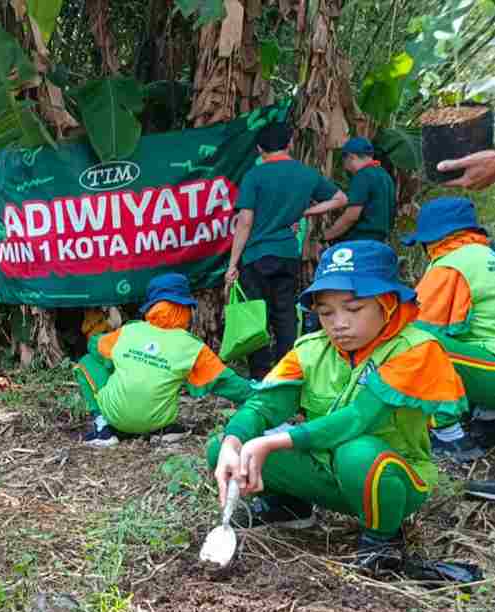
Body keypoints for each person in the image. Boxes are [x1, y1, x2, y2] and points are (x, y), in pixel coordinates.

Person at [210, 240, 467, 573]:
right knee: (222, 447)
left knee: (356, 452)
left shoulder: (416, 350)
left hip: (389, 478)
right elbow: (263, 405)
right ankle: (289, 508)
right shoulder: (310, 349)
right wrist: (233, 441)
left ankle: (381, 540)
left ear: (387, 303)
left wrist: (274, 441)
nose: (339, 323)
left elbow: (358, 418)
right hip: (326, 471)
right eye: (326, 312)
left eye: (354, 308)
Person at [224, 122, 347, 379]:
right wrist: (306, 211)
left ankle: (259, 375)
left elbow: (245, 221)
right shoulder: (306, 174)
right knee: (285, 315)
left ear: (260, 149)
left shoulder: (254, 176)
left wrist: (232, 264)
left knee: (257, 316)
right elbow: (340, 199)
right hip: (288, 255)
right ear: (289, 143)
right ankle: (286, 372)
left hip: (256, 256)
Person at [75, 273, 254, 447]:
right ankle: (163, 430)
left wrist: (127, 357)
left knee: (87, 361)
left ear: (151, 306)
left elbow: (94, 346)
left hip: (116, 416)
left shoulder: (130, 331)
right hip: (156, 421)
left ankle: (103, 427)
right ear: (187, 308)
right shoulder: (192, 347)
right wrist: (260, 393)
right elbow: (227, 383)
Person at [409, 197, 495, 462]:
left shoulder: (450, 265)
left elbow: (417, 323)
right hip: (488, 365)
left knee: (413, 340)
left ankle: (451, 437)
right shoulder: (486, 255)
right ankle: (487, 421)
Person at [321, 137, 396, 244]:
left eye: (344, 160)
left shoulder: (363, 176)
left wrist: (326, 235)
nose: (344, 166)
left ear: (351, 157)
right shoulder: (385, 175)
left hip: (360, 240)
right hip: (380, 241)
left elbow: (352, 216)